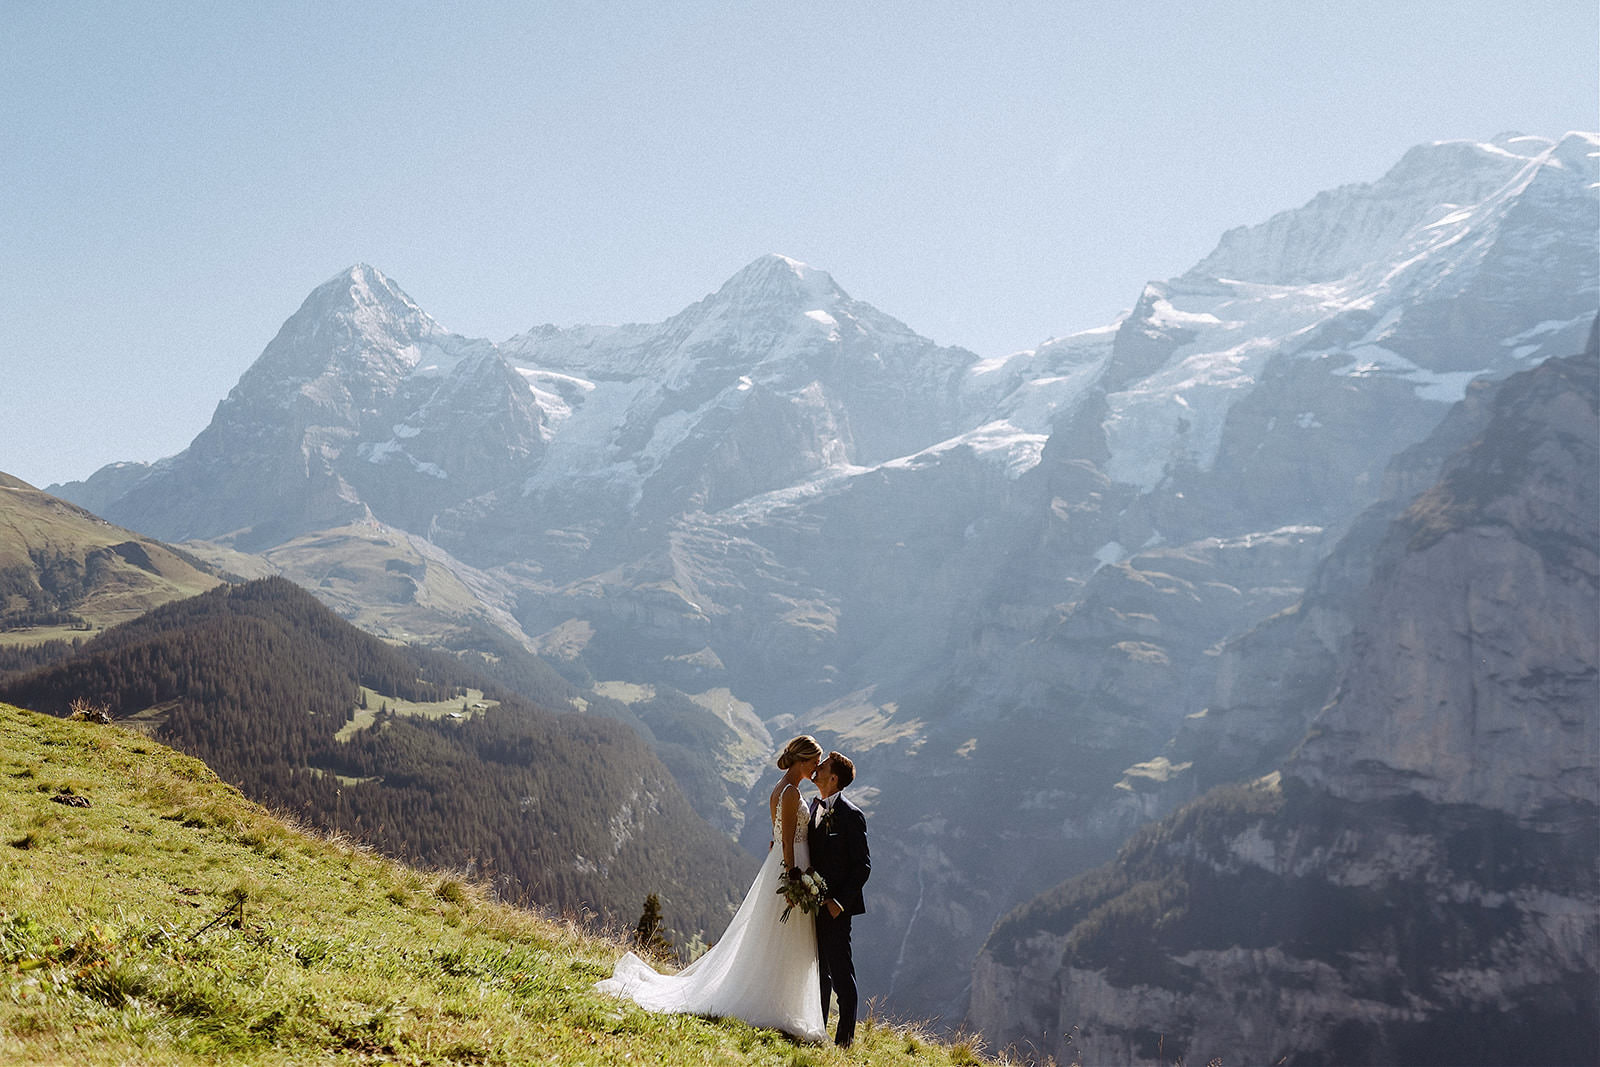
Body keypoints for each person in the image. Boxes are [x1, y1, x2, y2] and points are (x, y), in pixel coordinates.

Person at [593, 735, 827, 1042]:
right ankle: (774, 1003)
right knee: (784, 935)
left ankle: (778, 999)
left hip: (783, 865)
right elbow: (783, 839)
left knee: (776, 935)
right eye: (814, 762)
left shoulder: (779, 789)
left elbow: (774, 834)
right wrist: (793, 875)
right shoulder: (792, 792)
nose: (817, 767)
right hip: (791, 865)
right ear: (802, 760)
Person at [807, 750, 870, 1048]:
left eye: (823, 767)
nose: (816, 769)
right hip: (812, 904)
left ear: (833, 778)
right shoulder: (814, 806)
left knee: (842, 975)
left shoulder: (852, 816)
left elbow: (863, 867)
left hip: (836, 910)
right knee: (819, 971)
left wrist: (839, 903)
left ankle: (845, 1041)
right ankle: (819, 1032)